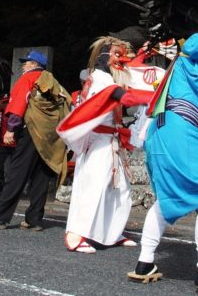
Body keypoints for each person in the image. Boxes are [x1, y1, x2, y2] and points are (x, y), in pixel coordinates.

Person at [125, 0, 198, 295]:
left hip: (163, 133)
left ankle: (145, 263)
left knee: (167, 199)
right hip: (179, 133)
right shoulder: (193, 50)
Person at [61, 36, 140, 253]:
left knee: (120, 188)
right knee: (94, 186)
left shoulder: (108, 78)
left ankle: (111, 233)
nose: (121, 59)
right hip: (99, 140)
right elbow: (124, 96)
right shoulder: (101, 79)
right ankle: (77, 234)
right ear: (105, 57)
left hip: (111, 139)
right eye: (117, 54)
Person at [0, 50, 70, 231]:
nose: (23, 65)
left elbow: (19, 103)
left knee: (17, 173)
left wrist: (11, 128)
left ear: (34, 65)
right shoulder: (53, 82)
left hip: (31, 132)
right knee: (41, 176)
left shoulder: (28, 78)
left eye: (26, 62)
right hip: (51, 136)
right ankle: (34, 219)